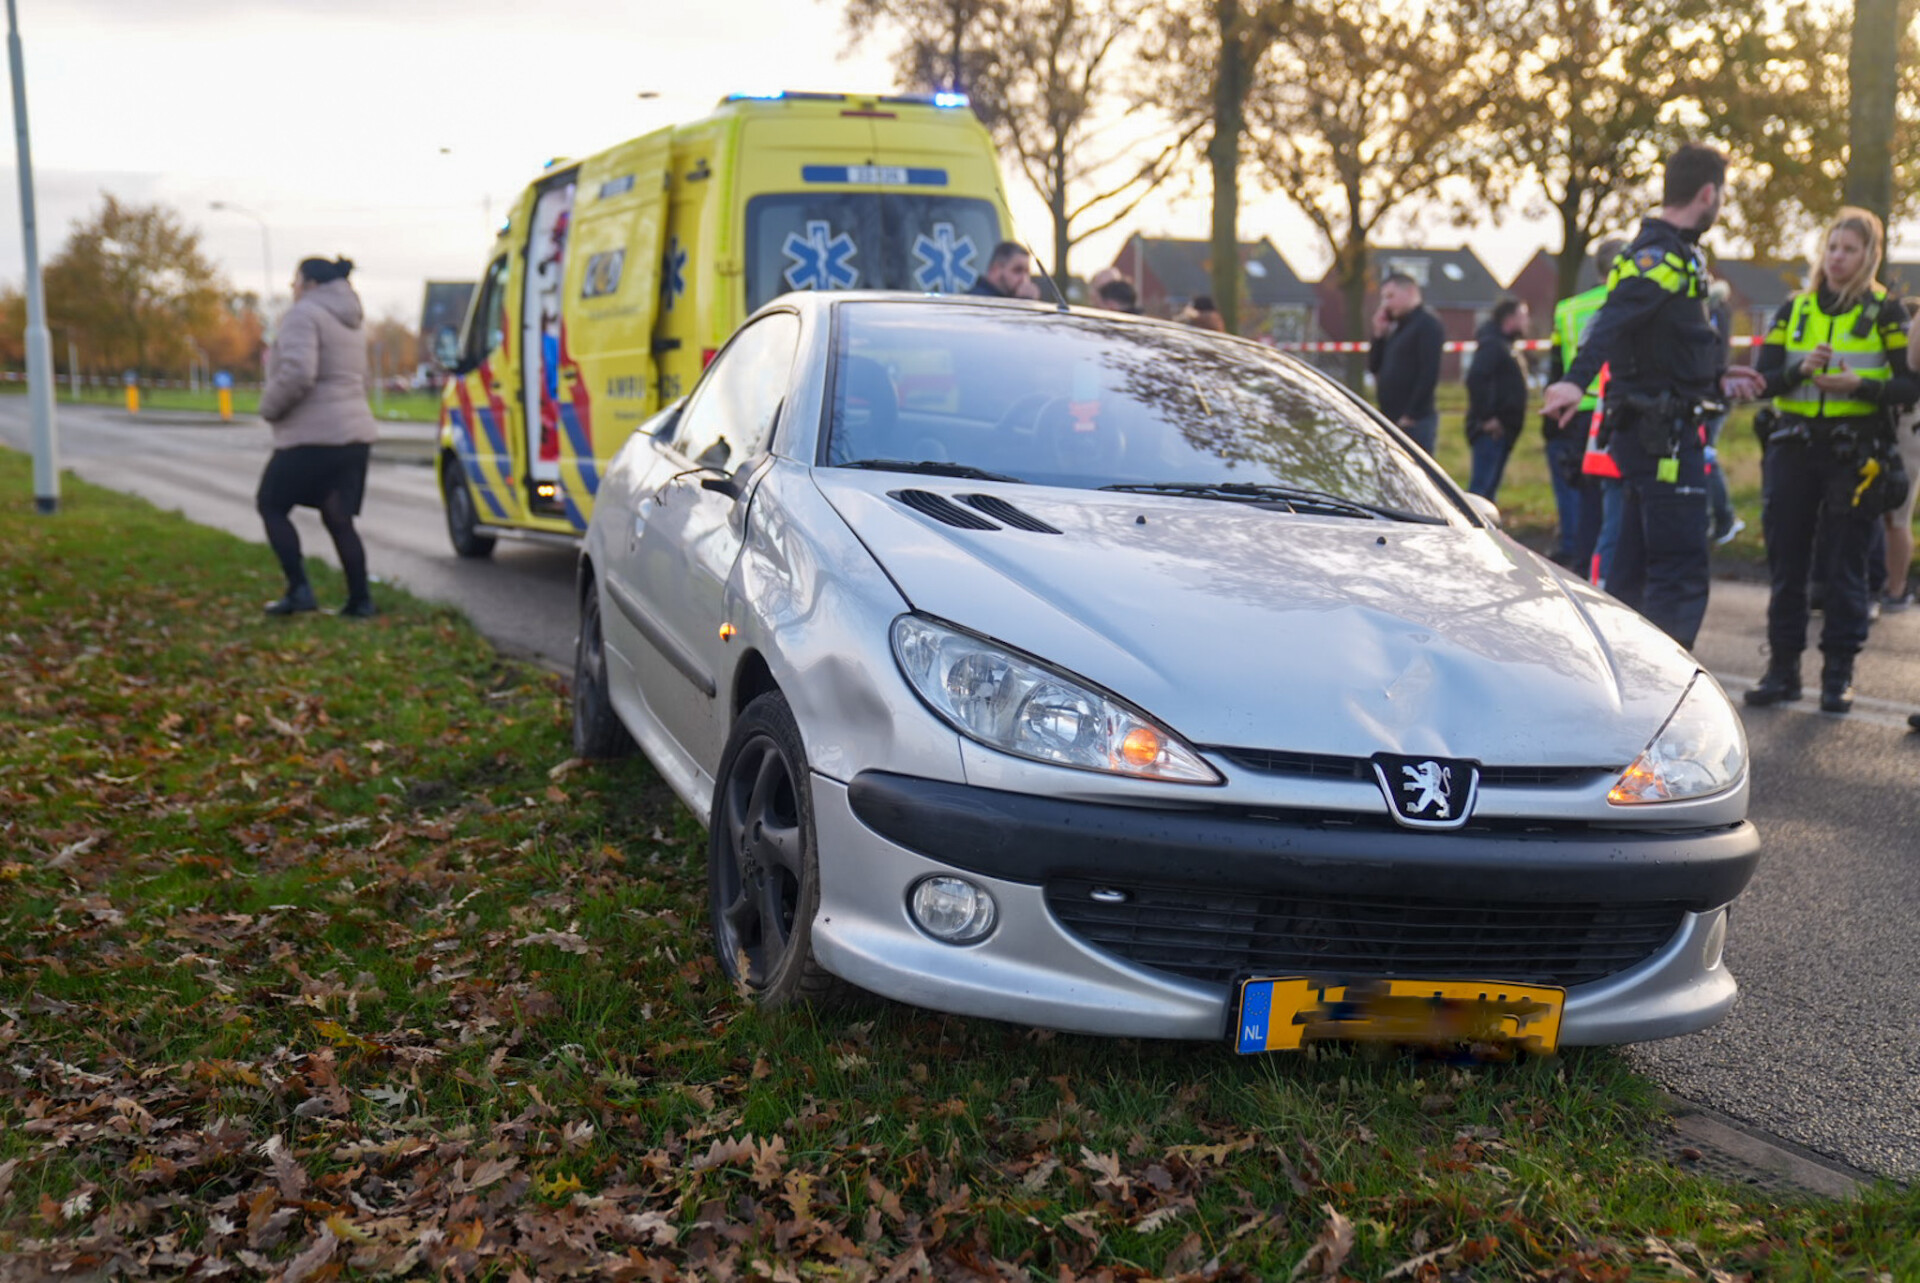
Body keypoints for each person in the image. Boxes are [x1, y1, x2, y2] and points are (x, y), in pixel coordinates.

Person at [1544, 143, 1765, 649]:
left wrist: (1715, 376)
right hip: (1660, 438)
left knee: (1635, 564)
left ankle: (1627, 678)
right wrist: (1575, 380)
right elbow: (1614, 320)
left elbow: (1663, 347)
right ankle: (1664, 697)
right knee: (1679, 570)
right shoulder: (1658, 257)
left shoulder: (1671, 253)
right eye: (1722, 195)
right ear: (1708, 193)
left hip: (1656, 428)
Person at [1741, 207, 1914, 713]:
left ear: (1869, 257)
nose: (1837, 258)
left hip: (1854, 453)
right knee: (1787, 563)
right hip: (1792, 446)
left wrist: (1859, 384)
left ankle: (1838, 674)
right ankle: (1782, 670)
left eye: (1849, 250)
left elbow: (1911, 384)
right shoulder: (1794, 309)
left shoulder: (1887, 311)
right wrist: (1799, 372)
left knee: (1845, 566)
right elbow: (1763, 380)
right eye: (1832, 247)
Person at [255, 256, 381, 618]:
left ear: (309, 283)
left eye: (294, 281)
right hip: (355, 434)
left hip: (314, 435)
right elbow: (362, 377)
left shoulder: (303, 314)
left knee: (271, 504)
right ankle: (361, 601)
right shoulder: (352, 318)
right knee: (339, 517)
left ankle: (299, 591)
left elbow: (298, 373)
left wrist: (269, 407)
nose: (292, 289)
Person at [1553, 238, 1626, 577]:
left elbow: (1556, 365)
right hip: (1614, 412)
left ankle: (1582, 570)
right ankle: (1609, 574)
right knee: (1617, 504)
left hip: (1577, 413)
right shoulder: (1628, 304)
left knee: (1586, 503)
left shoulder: (1566, 309)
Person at [1368, 271, 1446, 454]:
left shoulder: (1428, 325)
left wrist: (1411, 414)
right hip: (1391, 419)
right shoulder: (1396, 328)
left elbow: (1429, 372)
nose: (1386, 304)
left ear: (1410, 292)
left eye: (1391, 296)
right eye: (1383, 298)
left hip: (1414, 423)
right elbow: (1374, 367)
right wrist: (1379, 335)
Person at [1464, 296, 1530, 500]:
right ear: (1509, 319)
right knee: (1481, 495)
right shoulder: (1493, 345)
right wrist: (1487, 418)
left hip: (1501, 431)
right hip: (1491, 433)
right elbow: (1476, 378)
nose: (1527, 322)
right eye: (1523, 316)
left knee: (1487, 492)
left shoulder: (1504, 345)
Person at [1879, 298, 1920, 610]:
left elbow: (1913, 362)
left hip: (1910, 424)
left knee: (1897, 512)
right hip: (1894, 422)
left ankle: (1896, 589)